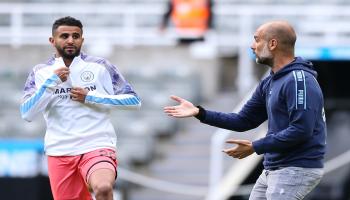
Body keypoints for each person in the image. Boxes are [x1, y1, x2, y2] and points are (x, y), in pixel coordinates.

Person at [164, 20, 326, 200]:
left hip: (296, 168)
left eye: (257, 40)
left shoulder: (299, 80)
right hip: (274, 168)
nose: (252, 45)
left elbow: (301, 130)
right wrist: (199, 113)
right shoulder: (270, 81)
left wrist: (255, 146)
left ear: (272, 44)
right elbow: (243, 120)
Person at [20, 16, 141, 200]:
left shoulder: (100, 66)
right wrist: (51, 83)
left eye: (76, 36)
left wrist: (90, 97)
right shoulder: (41, 72)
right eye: (64, 36)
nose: (70, 40)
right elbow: (26, 113)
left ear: (82, 40)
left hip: (96, 144)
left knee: (103, 188)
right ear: (52, 41)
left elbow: (134, 101)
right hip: (59, 151)